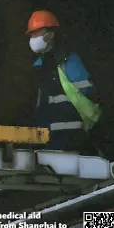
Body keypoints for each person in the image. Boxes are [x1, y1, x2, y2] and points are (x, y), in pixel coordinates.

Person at [26, 10, 102, 155]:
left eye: (37, 33)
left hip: (71, 140)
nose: (33, 37)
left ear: (51, 34)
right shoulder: (38, 67)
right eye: (31, 34)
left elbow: (88, 95)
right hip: (48, 142)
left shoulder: (70, 61)